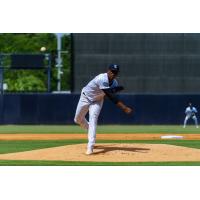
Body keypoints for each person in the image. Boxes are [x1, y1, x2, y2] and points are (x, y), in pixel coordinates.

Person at [74, 64, 133, 155]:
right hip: (85, 97)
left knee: (93, 120)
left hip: (97, 101)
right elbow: (110, 96)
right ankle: (90, 129)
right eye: (112, 71)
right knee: (77, 119)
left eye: (115, 72)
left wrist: (113, 90)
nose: (113, 73)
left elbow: (108, 94)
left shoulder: (115, 83)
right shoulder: (102, 78)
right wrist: (124, 107)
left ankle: (90, 146)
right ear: (108, 71)